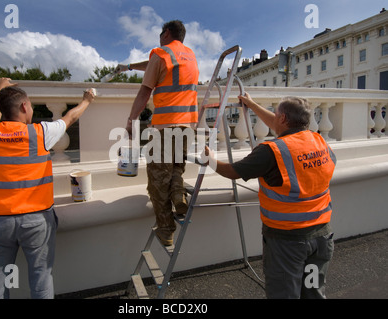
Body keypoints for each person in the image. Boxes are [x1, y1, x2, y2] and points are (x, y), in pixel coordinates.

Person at [0, 78, 96, 298]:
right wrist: (87, 100)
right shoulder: (40, 133)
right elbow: (71, 117)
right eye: (29, 105)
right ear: (23, 107)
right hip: (36, 221)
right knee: (40, 278)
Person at [205, 92, 336, 299]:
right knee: (313, 293)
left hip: (288, 243)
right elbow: (280, 126)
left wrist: (210, 160)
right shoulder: (318, 141)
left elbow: (233, 171)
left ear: (283, 119)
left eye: (277, 115)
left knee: (284, 294)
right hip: (321, 238)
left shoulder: (272, 151)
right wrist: (252, 105)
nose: (274, 119)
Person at [118, 20, 199, 246]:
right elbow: (155, 65)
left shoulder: (161, 54)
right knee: (175, 168)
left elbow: (145, 92)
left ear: (167, 33)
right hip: (187, 126)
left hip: (165, 127)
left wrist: (130, 120)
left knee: (157, 179)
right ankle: (179, 195)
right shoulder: (189, 56)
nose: (159, 37)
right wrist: (131, 66)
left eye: (160, 33)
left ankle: (166, 229)